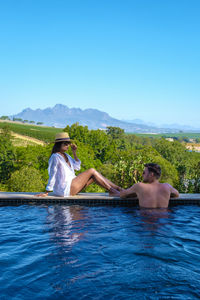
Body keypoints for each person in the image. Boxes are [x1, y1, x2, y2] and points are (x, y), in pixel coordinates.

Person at [37, 132, 121, 197]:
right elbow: (52, 174)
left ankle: (118, 189)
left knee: (94, 176)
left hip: (73, 185)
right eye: (65, 144)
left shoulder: (67, 155)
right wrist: (47, 192)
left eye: (68, 143)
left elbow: (77, 167)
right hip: (65, 189)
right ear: (59, 145)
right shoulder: (55, 157)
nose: (68, 145)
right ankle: (113, 191)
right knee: (91, 170)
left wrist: (74, 152)